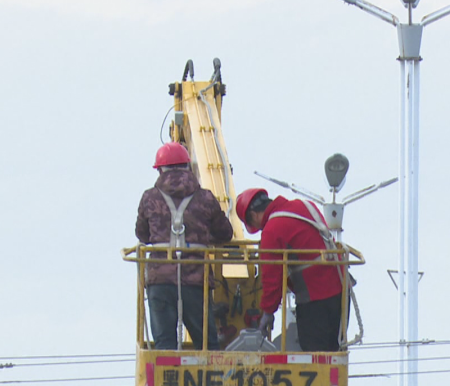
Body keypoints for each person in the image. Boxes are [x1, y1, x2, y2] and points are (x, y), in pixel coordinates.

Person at [136, 142, 234, 350]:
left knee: (164, 345)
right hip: (195, 280)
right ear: (188, 167)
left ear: (160, 169)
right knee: (206, 345)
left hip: (160, 281)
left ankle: (164, 381)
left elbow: (142, 234)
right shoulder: (205, 198)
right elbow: (225, 233)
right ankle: (211, 381)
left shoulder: (149, 198)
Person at [235, 188, 346, 352]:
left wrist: (267, 312)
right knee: (333, 355)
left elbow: (271, 279)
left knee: (315, 357)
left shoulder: (271, 230)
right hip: (341, 289)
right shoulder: (303, 206)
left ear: (253, 214)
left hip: (316, 300)